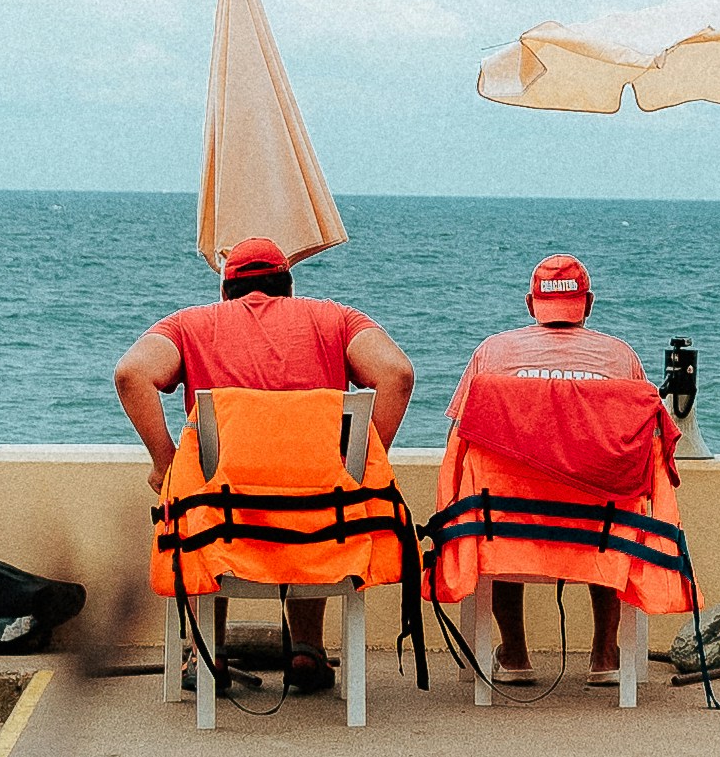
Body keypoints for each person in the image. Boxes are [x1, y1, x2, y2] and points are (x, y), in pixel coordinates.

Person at [117, 244, 415, 694]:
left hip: (224, 522)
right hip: (321, 517)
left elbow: (130, 373)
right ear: (289, 289)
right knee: (317, 504)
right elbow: (397, 372)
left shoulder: (189, 324)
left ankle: (206, 653)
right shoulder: (336, 318)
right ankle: (307, 650)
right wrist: (357, 468)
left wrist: (165, 462)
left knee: (199, 501)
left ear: (225, 291)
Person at [456, 255, 666, 686]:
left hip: (510, 528)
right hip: (599, 529)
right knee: (613, 505)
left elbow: (461, 439)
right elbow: (648, 447)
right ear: (587, 303)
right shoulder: (620, 357)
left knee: (499, 502)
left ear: (531, 304)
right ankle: (606, 654)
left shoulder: (492, 353)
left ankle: (514, 656)